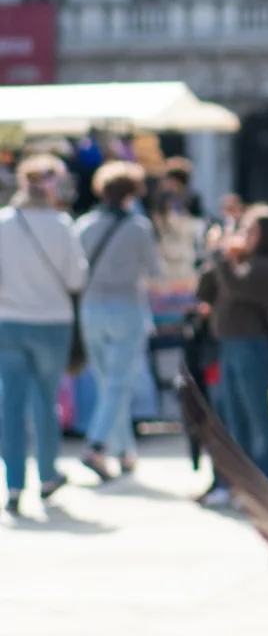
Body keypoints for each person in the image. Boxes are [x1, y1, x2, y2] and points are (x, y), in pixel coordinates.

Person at [0, 155, 89, 514]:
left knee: (11, 404)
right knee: (45, 400)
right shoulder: (62, 225)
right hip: (52, 322)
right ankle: (48, 473)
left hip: (9, 321)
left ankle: (14, 483)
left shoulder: (3, 224)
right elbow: (76, 280)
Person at [77, 161, 163, 481]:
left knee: (107, 383)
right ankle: (97, 445)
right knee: (118, 383)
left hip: (91, 309)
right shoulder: (139, 228)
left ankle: (124, 451)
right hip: (127, 308)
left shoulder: (84, 225)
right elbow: (155, 273)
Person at [197, 203, 268, 486]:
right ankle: (240, 483)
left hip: (250, 345)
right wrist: (217, 257)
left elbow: (237, 286)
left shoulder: (266, 266)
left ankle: (265, 484)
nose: (245, 237)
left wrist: (220, 255)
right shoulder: (240, 262)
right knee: (234, 418)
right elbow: (205, 289)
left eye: (252, 231)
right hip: (228, 345)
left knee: (257, 419)